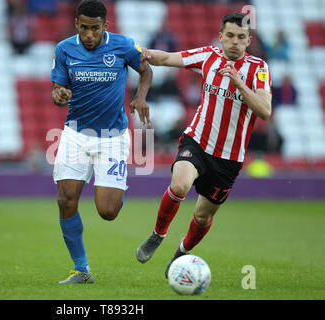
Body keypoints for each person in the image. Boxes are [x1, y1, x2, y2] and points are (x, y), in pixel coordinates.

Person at [136, 12, 272, 278]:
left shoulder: (259, 69)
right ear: (221, 37)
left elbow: (265, 110)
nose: (234, 42)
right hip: (197, 140)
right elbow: (165, 57)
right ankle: (157, 234)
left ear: (249, 41)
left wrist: (239, 83)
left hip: (229, 158)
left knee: (202, 218)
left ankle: (183, 252)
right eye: (230, 36)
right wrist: (135, 51)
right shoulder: (208, 55)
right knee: (179, 185)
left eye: (241, 37)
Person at [51, 0, 152, 284]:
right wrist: (58, 95)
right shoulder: (64, 49)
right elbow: (58, 90)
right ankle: (81, 269)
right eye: (84, 28)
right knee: (65, 199)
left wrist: (140, 96)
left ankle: (115, 194)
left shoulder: (124, 46)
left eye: (95, 29)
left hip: (112, 137)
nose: (89, 35)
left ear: (106, 26)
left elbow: (146, 71)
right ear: (77, 25)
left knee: (107, 212)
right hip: (75, 133)